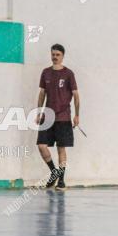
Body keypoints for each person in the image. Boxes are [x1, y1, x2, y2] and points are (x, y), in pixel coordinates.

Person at [35, 44, 80, 191]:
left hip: (63, 117)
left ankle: (61, 180)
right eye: (53, 54)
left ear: (62, 56)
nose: (55, 57)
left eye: (58, 55)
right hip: (47, 116)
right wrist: (39, 111)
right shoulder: (46, 73)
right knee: (42, 146)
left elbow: (76, 96)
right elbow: (42, 94)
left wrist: (77, 115)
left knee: (61, 149)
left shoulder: (69, 74)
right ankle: (54, 172)